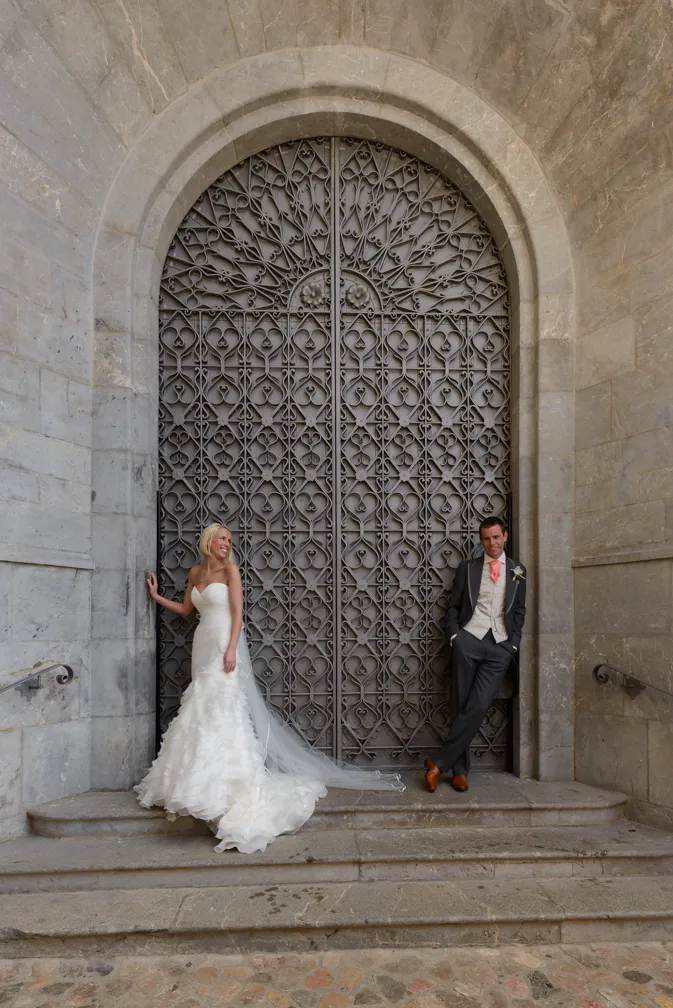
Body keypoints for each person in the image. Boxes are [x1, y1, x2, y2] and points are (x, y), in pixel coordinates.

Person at [137, 523, 404, 853]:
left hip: (223, 643)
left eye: (229, 541)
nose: (226, 544)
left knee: (222, 706)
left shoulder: (231, 570)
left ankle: (223, 780)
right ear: (208, 540)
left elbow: (237, 614)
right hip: (202, 643)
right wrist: (157, 597)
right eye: (222, 539)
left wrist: (232, 648)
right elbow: (187, 609)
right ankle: (194, 776)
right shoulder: (195, 572)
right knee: (200, 708)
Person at [424, 517, 526, 794]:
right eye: (486, 538)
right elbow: (454, 606)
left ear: (505, 536)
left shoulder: (518, 570)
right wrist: (457, 637)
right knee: (460, 704)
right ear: (481, 540)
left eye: (495, 537)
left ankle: (438, 763)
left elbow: (519, 611)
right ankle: (460, 772)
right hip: (469, 641)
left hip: (499, 647)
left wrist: (512, 645)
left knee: (478, 705)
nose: (491, 543)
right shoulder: (468, 569)